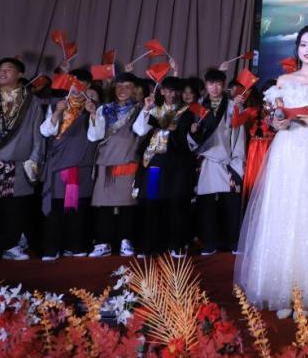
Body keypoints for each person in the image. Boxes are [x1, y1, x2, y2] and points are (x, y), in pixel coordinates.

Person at [235, 25, 308, 318]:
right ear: (298, 48)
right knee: (283, 212)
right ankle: (282, 291)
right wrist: (278, 122)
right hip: (287, 148)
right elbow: (277, 117)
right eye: (304, 44)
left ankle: (307, 293)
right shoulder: (284, 81)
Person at [37, 80, 100, 260]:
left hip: (82, 165)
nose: (77, 91)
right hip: (59, 166)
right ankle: (51, 249)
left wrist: (93, 113)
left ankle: (74, 246)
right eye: (74, 88)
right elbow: (46, 132)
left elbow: (96, 135)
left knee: (78, 208)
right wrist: (58, 111)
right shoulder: (57, 105)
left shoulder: (93, 109)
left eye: (81, 87)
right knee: (56, 208)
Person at [134, 76, 195, 258]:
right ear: (162, 91)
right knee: (152, 203)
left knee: (176, 204)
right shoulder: (154, 110)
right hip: (154, 163)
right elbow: (139, 130)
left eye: (176, 91)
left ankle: (176, 245)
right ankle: (150, 245)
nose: (172, 94)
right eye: (168, 90)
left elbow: (185, 138)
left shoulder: (186, 112)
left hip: (176, 165)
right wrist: (146, 108)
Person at [189, 68, 246, 255]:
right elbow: (191, 136)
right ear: (206, 85)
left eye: (218, 84)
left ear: (223, 85)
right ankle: (209, 243)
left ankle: (233, 242)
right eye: (211, 84)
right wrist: (193, 133)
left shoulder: (232, 106)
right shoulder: (197, 106)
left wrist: (237, 163)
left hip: (227, 161)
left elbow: (239, 137)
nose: (214, 88)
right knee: (206, 205)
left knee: (231, 204)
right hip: (206, 161)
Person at [88, 73, 144, 258]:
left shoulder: (140, 109)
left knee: (128, 204)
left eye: (127, 86)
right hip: (105, 161)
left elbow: (141, 130)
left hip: (128, 160)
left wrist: (146, 108)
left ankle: (126, 241)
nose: (122, 90)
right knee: (103, 205)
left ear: (134, 89)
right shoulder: (104, 109)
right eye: (119, 86)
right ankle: (103, 242)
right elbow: (94, 136)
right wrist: (93, 114)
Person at [0, 57, 46, 260]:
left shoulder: (31, 102)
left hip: (18, 163)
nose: (2, 72)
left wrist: (34, 160)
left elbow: (38, 134)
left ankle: (10, 245)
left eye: (8, 69)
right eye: (0, 69)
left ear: (19, 74)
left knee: (15, 207)